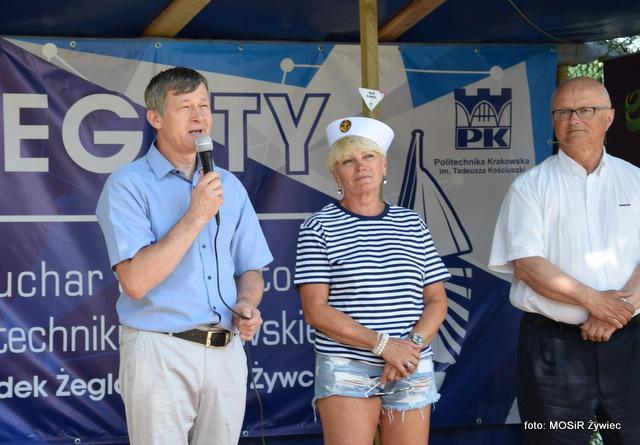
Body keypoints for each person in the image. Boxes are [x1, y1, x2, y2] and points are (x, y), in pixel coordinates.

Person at [96, 67, 273, 445]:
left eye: (204, 105)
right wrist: (195, 215)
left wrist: (247, 302)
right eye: (185, 106)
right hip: (161, 349)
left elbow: (251, 269)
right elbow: (136, 281)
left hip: (226, 350)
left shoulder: (229, 185)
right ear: (155, 118)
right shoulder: (128, 184)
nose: (199, 116)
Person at [489, 77, 640, 444]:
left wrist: (617, 311)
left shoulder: (635, 180)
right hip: (554, 351)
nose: (574, 120)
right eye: (563, 112)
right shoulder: (530, 187)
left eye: (585, 110)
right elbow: (527, 266)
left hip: (629, 346)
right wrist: (596, 303)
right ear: (553, 121)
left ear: (609, 117)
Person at [294, 116, 449, 445]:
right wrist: (384, 346)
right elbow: (315, 310)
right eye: (348, 161)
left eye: (369, 156)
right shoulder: (318, 226)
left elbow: (437, 299)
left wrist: (409, 348)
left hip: (410, 363)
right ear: (336, 175)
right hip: (347, 366)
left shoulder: (412, 223)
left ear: (384, 166)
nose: (360, 166)